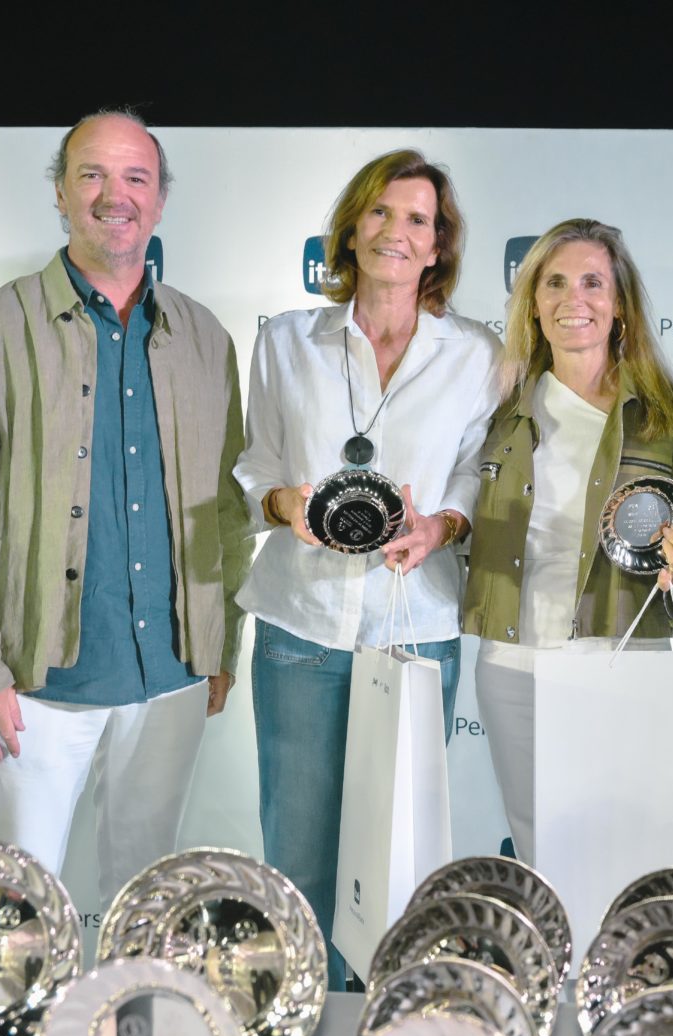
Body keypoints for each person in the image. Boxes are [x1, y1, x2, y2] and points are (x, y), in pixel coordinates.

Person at [0, 109, 251, 906]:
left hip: (171, 678)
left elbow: (228, 513)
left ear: (159, 200)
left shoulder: (205, 338)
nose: (113, 195)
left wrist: (221, 640)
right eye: (91, 174)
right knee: (13, 910)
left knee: (147, 905)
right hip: (33, 687)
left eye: (135, 178)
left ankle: (127, 1000)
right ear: (60, 193)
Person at [233, 148, 500, 989]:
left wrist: (441, 526)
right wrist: (285, 503)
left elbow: (476, 479)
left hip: (416, 630)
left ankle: (381, 1022)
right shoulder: (285, 340)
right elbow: (255, 466)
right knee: (301, 855)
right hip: (301, 628)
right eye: (380, 212)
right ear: (351, 231)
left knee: (396, 860)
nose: (396, 231)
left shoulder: (479, 355)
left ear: (438, 246)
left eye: (417, 219)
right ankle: (305, 1012)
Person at [463, 218, 673, 863]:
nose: (571, 299)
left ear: (620, 304)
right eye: (553, 283)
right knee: (539, 846)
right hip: (514, 661)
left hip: (624, 655)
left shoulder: (672, 416)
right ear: (532, 303)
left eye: (591, 283)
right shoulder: (494, 408)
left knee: (623, 850)